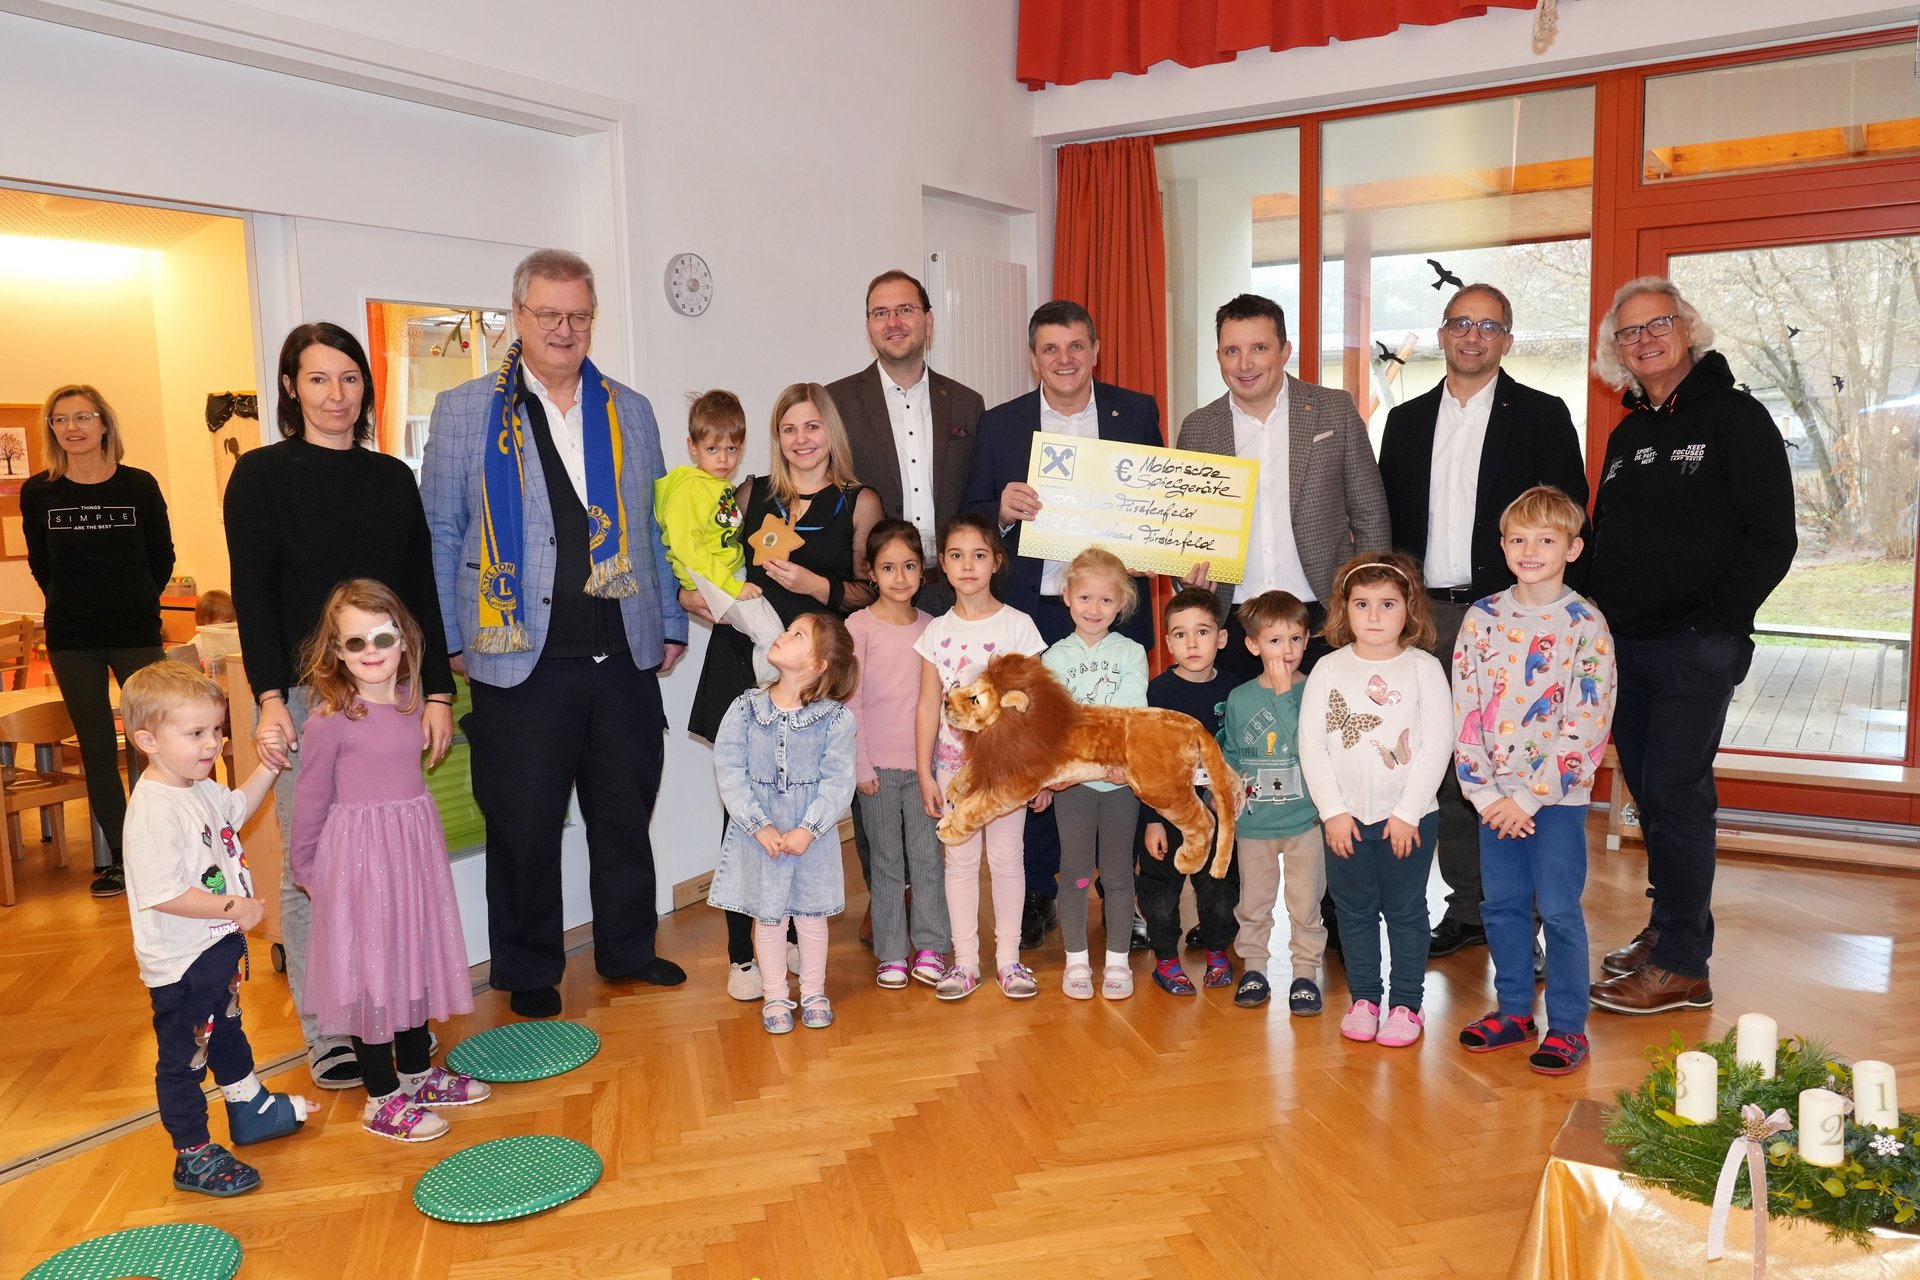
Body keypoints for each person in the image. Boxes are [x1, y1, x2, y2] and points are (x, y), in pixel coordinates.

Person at [420, 249, 688, 1021]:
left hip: (623, 654)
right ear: (519, 317)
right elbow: (441, 531)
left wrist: (670, 620)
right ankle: (529, 966)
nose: (564, 329)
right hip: (519, 661)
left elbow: (654, 526)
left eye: (578, 315)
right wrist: (450, 637)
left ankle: (628, 949)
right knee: (524, 824)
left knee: (623, 816)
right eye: (549, 315)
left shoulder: (629, 409)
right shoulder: (466, 411)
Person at [225, 321, 455, 1090]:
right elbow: (254, 597)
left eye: (350, 378)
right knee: (317, 867)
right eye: (319, 379)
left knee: (392, 867)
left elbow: (420, 589)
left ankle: (398, 1019)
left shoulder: (391, 477)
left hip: (393, 696)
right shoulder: (260, 476)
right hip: (306, 698)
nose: (336, 395)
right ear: (291, 387)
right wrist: (269, 700)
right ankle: (330, 1033)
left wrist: (437, 691)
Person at [1584, 277, 1796, 1016]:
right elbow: (1605, 538)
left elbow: (1772, 537)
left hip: (1695, 646)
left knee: (1676, 794)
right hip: (1625, 646)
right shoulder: (1627, 434)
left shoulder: (1737, 417)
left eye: (1658, 324)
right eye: (1629, 332)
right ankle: (1668, 930)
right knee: (1652, 794)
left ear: (1688, 329)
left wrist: (1717, 623)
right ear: (1617, 351)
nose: (1645, 340)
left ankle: (1682, 966)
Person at [1378, 283, 1589, 963]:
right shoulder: (1405, 421)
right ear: (1442, 334)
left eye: (1488, 326)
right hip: (1428, 616)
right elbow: (1387, 523)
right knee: (1447, 763)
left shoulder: (1543, 415)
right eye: (1461, 323)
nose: (1473, 336)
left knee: (1514, 760)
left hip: (1511, 618)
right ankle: (1468, 908)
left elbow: (1569, 514)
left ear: (1507, 340)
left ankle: (1524, 925)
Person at [962, 299, 1161, 948]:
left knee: (1117, 747)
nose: (1065, 358)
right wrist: (1001, 510)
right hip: (1036, 615)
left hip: (1113, 614)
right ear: (1033, 358)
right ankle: (1042, 891)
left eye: (1076, 345)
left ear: (1096, 350)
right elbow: (971, 513)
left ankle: (1122, 891)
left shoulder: (1136, 413)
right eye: (1050, 348)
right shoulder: (1001, 424)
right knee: (1041, 753)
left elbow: (1160, 506)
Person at [685, 383, 883, 993]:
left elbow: (872, 589)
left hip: (808, 680)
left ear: (831, 432)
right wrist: (693, 597)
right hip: (741, 667)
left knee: (798, 808)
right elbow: (705, 560)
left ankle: (792, 936)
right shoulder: (750, 495)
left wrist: (813, 584)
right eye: (789, 428)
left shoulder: (859, 501)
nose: (801, 439)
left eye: (812, 426)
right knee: (741, 811)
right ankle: (741, 955)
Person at [289, 580, 488, 1140]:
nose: (370, 651)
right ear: (336, 651)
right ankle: (381, 1097)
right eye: (355, 643)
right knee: (371, 975)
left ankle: (417, 1073)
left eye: (382, 638)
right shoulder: (331, 719)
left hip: (410, 855)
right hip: (357, 862)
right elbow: (310, 799)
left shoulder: (412, 704)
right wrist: (307, 870)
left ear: (405, 640)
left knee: (409, 958)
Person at [119, 660, 314, 1197]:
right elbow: (165, 893)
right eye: (196, 733)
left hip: (213, 948)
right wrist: (234, 907)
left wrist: (269, 766)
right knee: (185, 1058)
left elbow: (234, 811)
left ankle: (248, 1106)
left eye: (217, 729)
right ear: (148, 740)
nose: (212, 743)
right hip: (182, 964)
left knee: (226, 1029)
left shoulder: (197, 785)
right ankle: (192, 1153)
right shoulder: (154, 811)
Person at [1453, 486, 1616, 1075]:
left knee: (1559, 909)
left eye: (1545, 540)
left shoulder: (1586, 624)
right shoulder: (1482, 617)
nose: (1530, 550)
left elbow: (1587, 723)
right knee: (1501, 905)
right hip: (1494, 801)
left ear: (1572, 549)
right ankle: (1515, 1010)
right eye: (1518, 539)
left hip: (1556, 801)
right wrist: (1484, 793)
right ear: (1502, 546)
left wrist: (1528, 797)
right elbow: (1465, 709)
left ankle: (1568, 1026)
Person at [1175, 294, 1391, 681]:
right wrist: (1184, 574)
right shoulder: (1198, 428)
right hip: (1233, 624)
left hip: (1325, 617)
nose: (1245, 364)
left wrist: (1368, 604)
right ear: (1219, 356)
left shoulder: (1335, 409)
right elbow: (1184, 528)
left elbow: (1370, 514)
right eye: (1232, 351)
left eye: (1259, 348)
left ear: (1285, 351)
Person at [21, 384, 174, 898]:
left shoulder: (139, 485)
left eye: (83, 416)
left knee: (160, 743)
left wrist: (135, 601)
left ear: (104, 423)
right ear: (52, 430)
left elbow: (162, 556)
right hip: (73, 638)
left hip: (136, 633)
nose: (73, 427)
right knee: (97, 750)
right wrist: (74, 603)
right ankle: (128, 859)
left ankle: (170, 848)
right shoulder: (39, 492)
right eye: (61, 419)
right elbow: (42, 563)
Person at [1297, 553, 1451, 1048]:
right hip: (1344, 821)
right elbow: (1312, 746)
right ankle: (1364, 999)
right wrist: (1333, 813)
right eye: (1362, 604)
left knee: (1405, 911)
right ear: (1345, 610)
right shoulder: (1327, 668)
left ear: (1410, 608)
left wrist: (1407, 813)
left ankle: (1406, 1004)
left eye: (1388, 604)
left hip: (1409, 820)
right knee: (1354, 911)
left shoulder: (1424, 668)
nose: (1375, 615)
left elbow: (1437, 744)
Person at [707, 613, 859, 1034]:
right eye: (788, 629)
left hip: (811, 837)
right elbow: (729, 770)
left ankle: (813, 992)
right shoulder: (745, 708)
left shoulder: (836, 720)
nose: (783, 635)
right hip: (762, 837)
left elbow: (838, 781)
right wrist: (759, 826)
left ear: (817, 666)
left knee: (811, 918)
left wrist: (808, 829)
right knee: (769, 918)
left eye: (797, 635)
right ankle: (775, 995)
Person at [915, 512, 1046, 1000]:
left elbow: (1034, 706)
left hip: (1008, 769)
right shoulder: (936, 632)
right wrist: (925, 772)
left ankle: (1009, 960)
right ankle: (965, 962)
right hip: (954, 771)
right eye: (956, 555)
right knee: (960, 861)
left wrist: (1037, 772)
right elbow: (927, 705)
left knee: (1008, 859)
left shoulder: (1019, 626)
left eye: (978, 555)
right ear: (944, 565)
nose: (967, 565)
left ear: (996, 562)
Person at [827, 269, 987, 614]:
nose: (893, 322)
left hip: (951, 591)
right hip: (869, 596)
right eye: (880, 313)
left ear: (928, 322)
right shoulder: (835, 403)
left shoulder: (966, 403)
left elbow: (978, 495)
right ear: (869, 326)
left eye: (905, 309)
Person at [1040, 548, 1148, 1000]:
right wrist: (1059, 773)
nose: (1094, 608)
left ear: (1120, 604)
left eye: (1106, 600)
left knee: (1120, 873)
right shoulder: (1053, 658)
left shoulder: (1132, 652)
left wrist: (1113, 763)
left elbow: (1129, 712)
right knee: (1076, 872)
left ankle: (1118, 962)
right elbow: (1056, 724)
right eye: (1085, 597)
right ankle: (1077, 961)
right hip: (1074, 786)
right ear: (1067, 596)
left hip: (1121, 781)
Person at [846, 520, 950, 990]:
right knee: (887, 862)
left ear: (922, 571)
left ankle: (931, 946)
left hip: (925, 769)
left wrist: (938, 766)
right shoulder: (858, 627)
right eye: (888, 567)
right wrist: (861, 766)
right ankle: (890, 952)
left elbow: (939, 702)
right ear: (871, 572)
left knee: (928, 860)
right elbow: (849, 704)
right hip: (878, 773)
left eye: (909, 566)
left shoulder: (933, 628)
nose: (900, 577)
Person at [1219, 590, 1326, 1015]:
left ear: (1307, 640)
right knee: (1253, 902)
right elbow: (1229, 754)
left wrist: (1285, 693)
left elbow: (1310, 748)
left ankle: (1305, 974)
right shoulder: (1240, 697)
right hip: (1254, 823)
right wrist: (1221, 793)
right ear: (1253, 645)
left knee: (1306, 903)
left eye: (1296, 639)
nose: (1287, 650)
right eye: (1275, 640)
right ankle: (1254, 969)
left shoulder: (1314, 689)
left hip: (1305, 820)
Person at [1135, 587, 1237, 997]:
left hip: (1214, 814)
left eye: (1202, 632)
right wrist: (1152, 822)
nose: (1192, 643)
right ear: (1167, 642)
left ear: (1221, 638)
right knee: (1161, 892)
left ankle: (1217, 953)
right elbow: (1146, 763)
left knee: (1219, 887)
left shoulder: (1234, 690)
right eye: (1180, 634)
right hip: (1167, 814)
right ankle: (1166, 961)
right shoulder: (1156, 694)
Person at [654, 390, 781, 672]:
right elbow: (688, 549)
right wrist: (732, 586)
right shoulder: (690, 489)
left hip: (727, 574)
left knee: (774, 634)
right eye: (712, 449)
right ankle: (771, 695)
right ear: (693, 446)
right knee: (772, 637)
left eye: (731, 449)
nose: (723, 459)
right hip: (716, 579)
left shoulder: (717, 485)